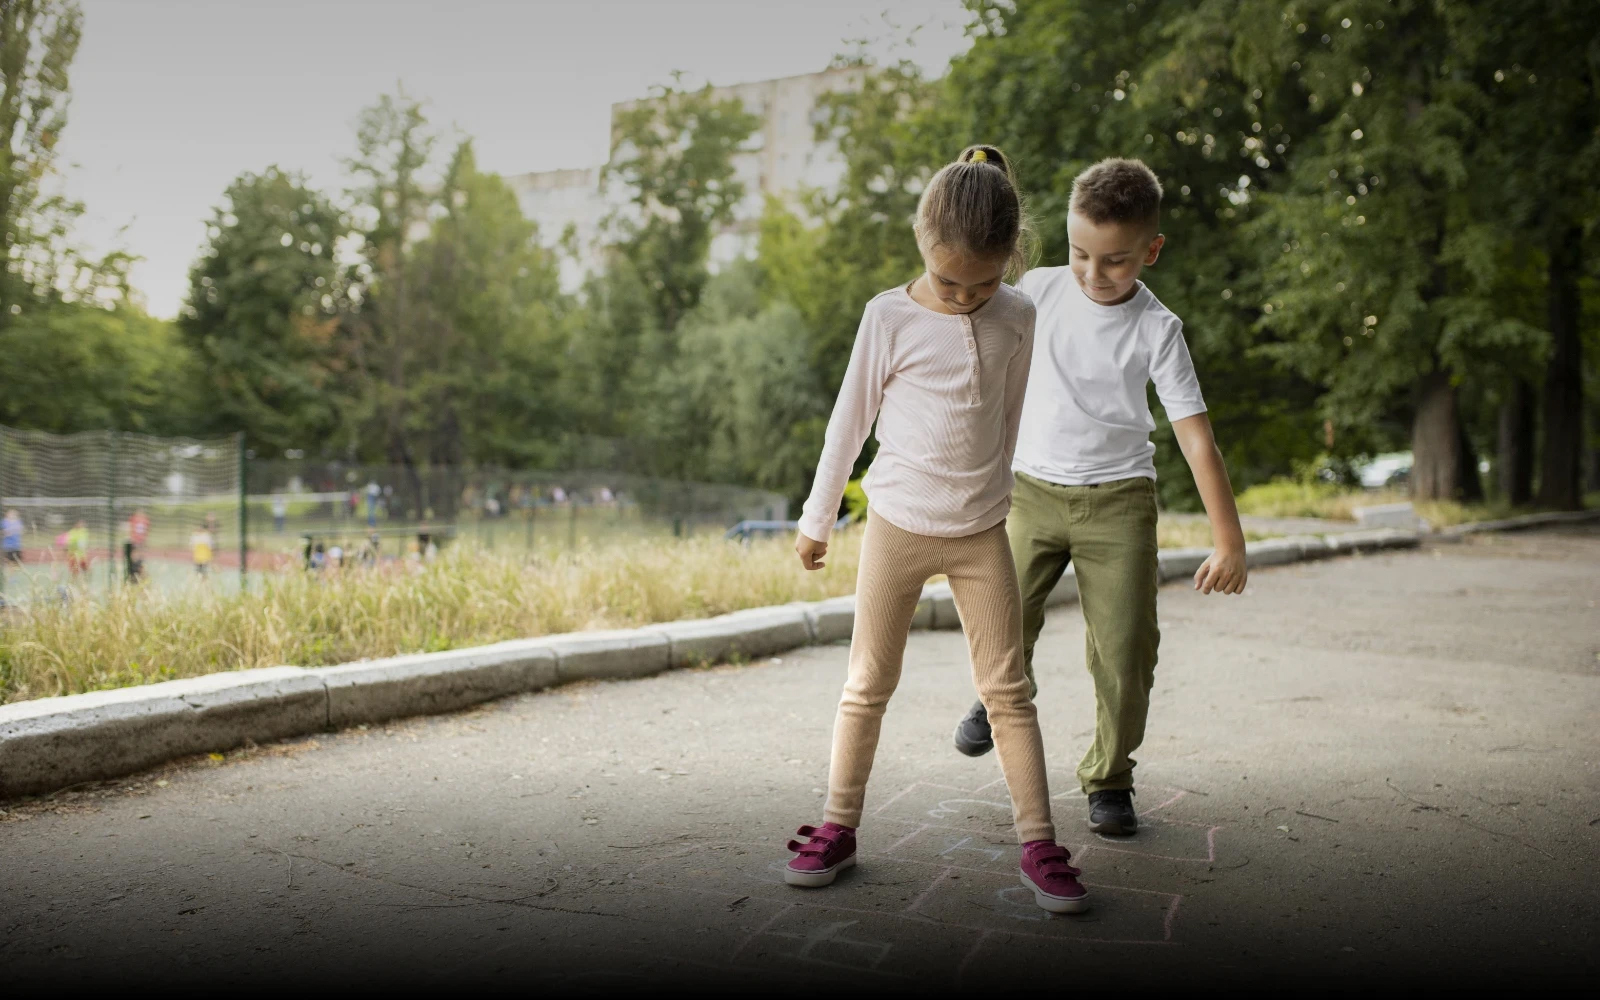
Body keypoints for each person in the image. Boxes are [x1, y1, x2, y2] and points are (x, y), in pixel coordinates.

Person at [784, 145, 1088, 915]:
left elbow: (1012, 415)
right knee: (866, 685)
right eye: (949, 280)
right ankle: (838, 826)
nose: (963, 296)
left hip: (981, 531)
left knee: (1008, 690)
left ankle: (1040, 841)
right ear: (922, 243)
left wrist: (1005, 497)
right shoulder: (887, 316)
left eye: (982, 282)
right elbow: (846, 425)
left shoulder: (1019, 312)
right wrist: (819, 518)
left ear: (1010, 261)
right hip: (896, 525)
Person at [949, 158, 1248, 837]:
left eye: (1115, 261)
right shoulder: (1037, 289)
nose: (1092, 273)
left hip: (1119, 503)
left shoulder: (1158, 329)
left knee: (1126, 650)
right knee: (1002, 618)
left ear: (1151, 251)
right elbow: (971, 325)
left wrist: (1228, 541)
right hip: (1029, 492)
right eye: (1081, 253)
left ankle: (1110, 777)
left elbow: (1198, 442)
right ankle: (993, 697)